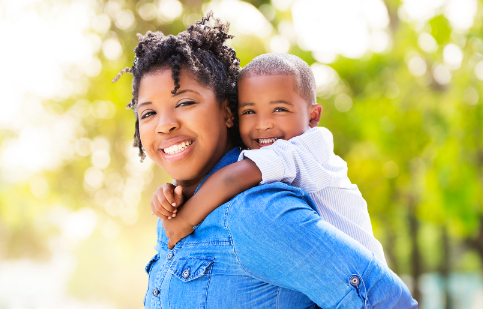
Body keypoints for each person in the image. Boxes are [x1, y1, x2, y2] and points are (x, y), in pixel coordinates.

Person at [115, 12, 417, 308]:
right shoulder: (171, 215)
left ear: (227, 112)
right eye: (148, 113)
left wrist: (185, 217)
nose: (164, 124)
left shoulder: (255, 211)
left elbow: (387, 301)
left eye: (185, 102)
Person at [150, 53, 387, 266]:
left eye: (280, 110)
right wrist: (172, 192)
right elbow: (217, 177)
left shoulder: (308, 146)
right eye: (249, 112)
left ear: (313, 116)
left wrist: (185, 220)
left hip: (365, 288)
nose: (263, 124)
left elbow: (231, 179)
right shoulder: (260, 153)